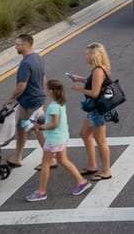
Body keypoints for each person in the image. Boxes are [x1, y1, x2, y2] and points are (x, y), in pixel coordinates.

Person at [25, 79, 93, 202]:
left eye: (47, 88)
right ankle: (82, 182)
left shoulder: (53, 106)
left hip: (54, 139)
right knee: (63, 160)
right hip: (62, 137)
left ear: (51, 90)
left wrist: (39, 127)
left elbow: (54, 124)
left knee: (46, 163)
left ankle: (41, 192)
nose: (46, 90)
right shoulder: (60, 103)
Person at [70, 42, 116, 181]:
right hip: (94, 110)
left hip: (97, 110)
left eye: (88, 54)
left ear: (94, 55)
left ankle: (106, 170)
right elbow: (95, 82)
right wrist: (80, 79)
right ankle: (92, 165)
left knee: (101, 140)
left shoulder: (98, 70)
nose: (86, 56)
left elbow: (95, 93)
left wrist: (79, 89)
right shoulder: (97, 69)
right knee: (84, 134)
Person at [5, 33, 46, 168]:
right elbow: (43, 78)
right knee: (21, 127)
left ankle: (50, 158)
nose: (15, 47)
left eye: (17, 45)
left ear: (26, 45)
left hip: (30, 102)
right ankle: (17, 156)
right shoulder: (37, 58)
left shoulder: (26, 63)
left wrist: (11, 98)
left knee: (36, 129)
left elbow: (21, 86)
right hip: (35, 99)